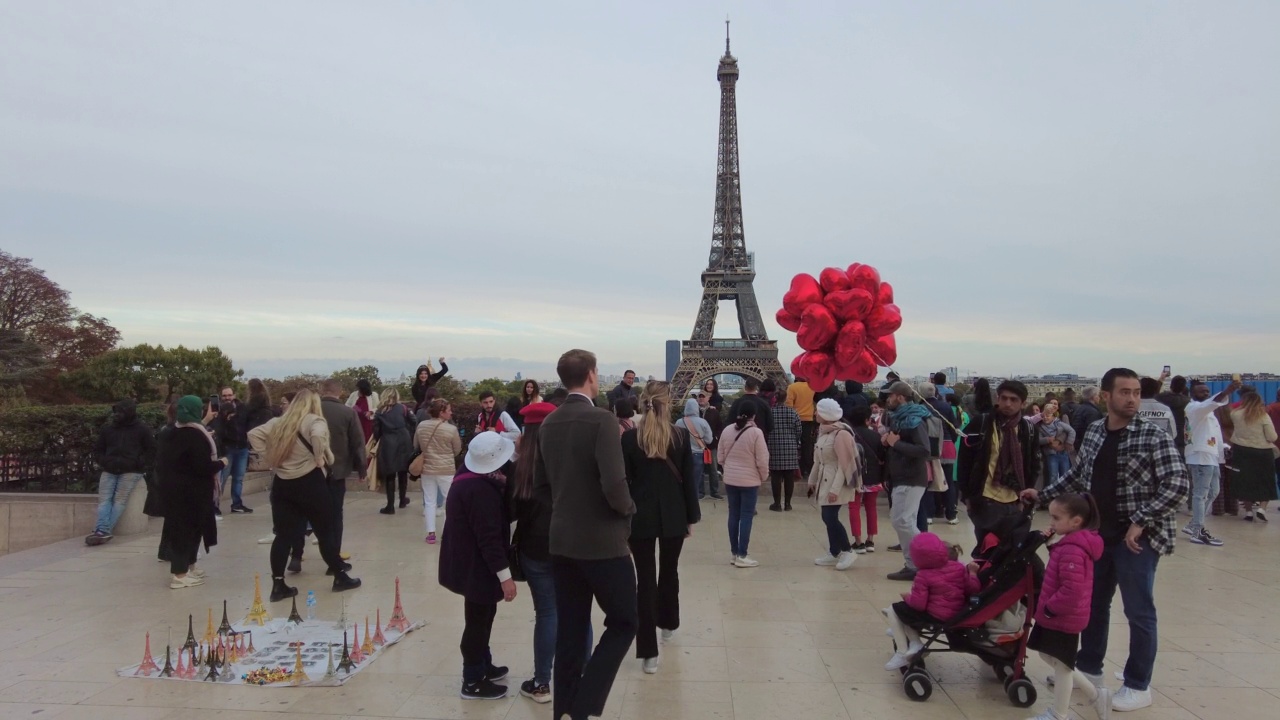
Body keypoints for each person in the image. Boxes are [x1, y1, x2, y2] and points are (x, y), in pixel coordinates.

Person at [1023, 368, 1190, 713]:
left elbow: (1177, 484)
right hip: (1097, 538)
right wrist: (1041, 496)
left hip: (1136, 542)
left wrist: (1141, 520)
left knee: (1139, 611)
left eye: (1135, 393)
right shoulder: (1097, 430)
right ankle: (1090, 669)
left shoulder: (1152, 436)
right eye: (1124, 392)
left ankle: (1138, 683)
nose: (1132, 399)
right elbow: (1079, 475)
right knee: (1094, 605)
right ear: (1105, 396)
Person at [533, 349, 637, 720]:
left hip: (562, 541)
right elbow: (614, 483)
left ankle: (565, 710)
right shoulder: (602, 421)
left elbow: (540, 485)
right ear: (592, 375)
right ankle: (585, 703)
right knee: (626, 620)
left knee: (572, 631)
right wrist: (628, 510)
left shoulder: (550, 423)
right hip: (604, 542)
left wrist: (566, 507)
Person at [248, 389, 362, 601]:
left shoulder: (279, 422)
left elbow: (253, 434)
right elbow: (318, 435)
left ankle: (278, 584)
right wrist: (318, 457)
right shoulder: (314, 420)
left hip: (283, 482)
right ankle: (339, 576)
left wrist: (270, 457)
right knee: (325, 531)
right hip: (310, 482)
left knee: (283, 536)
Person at [623, 381, 700, 674]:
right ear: (669, 403)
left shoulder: (630, 439)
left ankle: (648, 653)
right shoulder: (679, 437)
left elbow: (624, 483)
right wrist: (691, 517)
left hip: (639, 517)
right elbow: (688, 484)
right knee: (669, 571)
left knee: (645, 581)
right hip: (673, 514)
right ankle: (668, 622)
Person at [438, 431, 517, 700]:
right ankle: (472, 679)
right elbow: (489, 539)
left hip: (468, 561)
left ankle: (483, 663)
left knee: (484, 615)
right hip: (476, 564)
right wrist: (505, 576)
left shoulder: (469, 476)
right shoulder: (480, 490)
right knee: (477, 621)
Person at [1028, 493, 1110, 720]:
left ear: (1076, 521)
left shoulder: (1074, 549)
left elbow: (1072, 589)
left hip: (1063, 616)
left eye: (1056, 518)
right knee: (1049, 655)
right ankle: (1096, 694)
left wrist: (1051, 608)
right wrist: (1051, 545)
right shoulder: (1069, 544)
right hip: (1058, 613)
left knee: (1063, 667)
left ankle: (1058, 714)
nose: (1051, 522)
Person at [507, 401, 562, 704]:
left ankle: (542, 682)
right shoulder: (568, 459)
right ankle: (579, 676)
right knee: (575, 613)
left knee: (547, 613)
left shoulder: (521, 465)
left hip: (534, 547)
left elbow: (511, 511)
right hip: (569, 544)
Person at [957, 380, 1040, 549]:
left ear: (1023, 403)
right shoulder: (982, 423)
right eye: (1004, 398)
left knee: (1012, 552)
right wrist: (967, 495)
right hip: (985, 498)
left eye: (1013, 399)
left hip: (1016, 500)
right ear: (997, 399)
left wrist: (1026, 496)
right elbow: (964, 461)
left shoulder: (1028, 430)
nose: (1007, 404)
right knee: (987, 549)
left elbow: (1033, 464)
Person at [882, 532, 978, 669]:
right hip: (957, 613)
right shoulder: (959, 568)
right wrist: (973, 574)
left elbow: (918, 605)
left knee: (896, 609)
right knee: (904, 613)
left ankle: (903, 651)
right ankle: (903, 632)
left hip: (936, 616)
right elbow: (972, 588)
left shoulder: (923, 575)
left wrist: (907, 597)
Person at [156, 396, 222, 588]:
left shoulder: (169, 432)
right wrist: (220, 463)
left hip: (174, 490)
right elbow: (202, 466)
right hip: (191, 492)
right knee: (185, 533)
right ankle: (179, 574)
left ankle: (186, 567)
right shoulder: (195, 435)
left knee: (187, 531)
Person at [86, 399, 158, 546]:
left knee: (119, 501)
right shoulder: (108, 429)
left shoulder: (142, 429)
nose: (117, 415)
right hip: (109, 469)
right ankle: (103, 530)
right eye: (116, 412)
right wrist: (104, 461)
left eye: (121, 412)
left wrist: (140, 463)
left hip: (131, 471)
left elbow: (151, 449)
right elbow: (98, 449)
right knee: (104, 500)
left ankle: (102, 530)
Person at [882, 382, 932, 581]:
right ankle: (916, 561)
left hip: (911, 477)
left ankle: (922, 559)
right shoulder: (902, 419)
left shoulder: (913, 419)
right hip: (903, 476)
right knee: (901, 520)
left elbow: (923, 450)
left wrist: (896, 443)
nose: (888, 399)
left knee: (903, 521)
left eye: (890, 395)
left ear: (900, 397)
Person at [1181, 380, 1238, 546]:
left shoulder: (1209, 413)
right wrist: (1226, 392)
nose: (1205, 394)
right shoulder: (1193, 409)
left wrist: (1224, 448)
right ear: (1192, 394)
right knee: (1201, 494)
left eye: (1207, 392)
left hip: (1211, 456)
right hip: (1200, 456)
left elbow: (1214, 435)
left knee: (1213, 491)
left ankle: (1193, 524)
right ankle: (1198, 530)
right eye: (1201, 392)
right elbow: (1210, 403)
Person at [809, 398, 860, 571]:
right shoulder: (825, 432)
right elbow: (818, 460)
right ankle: (834, 551)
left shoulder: (841, 434)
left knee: (830, 517)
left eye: (817, 410)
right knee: (827, 516)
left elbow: (843, 465)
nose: (815, 413)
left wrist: (835, 490)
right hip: (825, 479)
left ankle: (847, 549)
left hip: (835, 482)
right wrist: (811, 480)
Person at [718, 401, 769, 568]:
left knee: (733, 515)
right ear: (754, 415)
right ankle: (742, 554)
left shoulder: (727, 430)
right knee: (747, 516)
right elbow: (762, 459)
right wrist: (763, 476)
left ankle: (734, 553)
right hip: (749, 480)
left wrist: (728, 468)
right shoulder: (756, 433)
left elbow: (720, 456)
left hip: (731, 479)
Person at [415, 398, 462, 544]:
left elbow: (416, 444)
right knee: (450, 501)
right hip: (446, 469)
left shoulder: (421, 426)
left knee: (429, 501)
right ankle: (447, 532)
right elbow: (457, 449)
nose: (451, 412)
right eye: (448, 410)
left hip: (427, 468)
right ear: (442, 412)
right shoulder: (451, 429)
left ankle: (431, 533)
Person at [1230, 389, 1278, 522]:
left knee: (1245, 481)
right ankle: (1262, 509)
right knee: (1266, 481)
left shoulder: (1235, 414)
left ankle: (1249, 512)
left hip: (1241, 451)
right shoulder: (1262, 415)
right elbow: (1271, 436)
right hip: (1262, 452)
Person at [374, 389, 417, 514]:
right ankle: (402, 499)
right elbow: (414, 421)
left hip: (388, 442)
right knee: (403, 471)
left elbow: (376, 431)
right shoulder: (403, 408)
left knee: (390, 474)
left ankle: (390, 505)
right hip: (404, 440)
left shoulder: (380, 411)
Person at [848, 406, 884, 553]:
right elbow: (882, 456)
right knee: (871, 507)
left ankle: (858, 541)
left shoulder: (850, 436)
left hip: (855, 476)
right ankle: (870, 540)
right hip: (873, 476)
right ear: (867, 420)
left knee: (854, 507)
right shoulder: (875, 436)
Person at [763, 379, 802, 511]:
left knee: (776, 476)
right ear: (786, 399)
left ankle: (777, 503)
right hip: (790, 447)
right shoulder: (793, 412)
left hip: (774, 447)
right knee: (789, 477)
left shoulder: (770, 412)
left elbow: (766, 428)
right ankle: (788, 504)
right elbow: (799, 430)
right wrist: (793, 440)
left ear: (775, 398)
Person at [213, 386, 253, 514]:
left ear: (234, 395)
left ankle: (237, 504)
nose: (227, 398)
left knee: (239, 478)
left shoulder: (243, 409)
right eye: (224, 396)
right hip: (227, 448)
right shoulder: (217, 411)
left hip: (241, 447)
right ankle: (215, 505)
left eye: (229, 395)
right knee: (222, 479)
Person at [677, 397, 714, 505]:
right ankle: (693, 506)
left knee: (683, 481)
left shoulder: (679, 422)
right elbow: (709, 440)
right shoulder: (703, 422)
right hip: (698, 454)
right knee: (695, 482)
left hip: (683, 455)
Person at [1038, 402, 1077, 489]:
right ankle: (1052, 494)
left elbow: (1071, 431)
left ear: (1053, 416)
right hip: (1051, 454)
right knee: (1053, 475)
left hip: (1063, 452)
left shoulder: (1059, 423)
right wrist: (1047, 440)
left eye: (1048, 416)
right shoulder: (1040, 427)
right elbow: (1038, 440)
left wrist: (1069, 443)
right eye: (1043, 416)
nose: (1045, 418)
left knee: (1065, 474)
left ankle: (1064, 494)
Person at [786, 375, 817, 476]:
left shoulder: (792, 387)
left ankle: (793, 468)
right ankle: (806, 468)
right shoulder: (813, 387)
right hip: (808, 419)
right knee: (807, 445)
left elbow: (789, 405)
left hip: (795, 419)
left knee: (792, 444)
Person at [697, 390, 725, 500]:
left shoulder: (714, 412)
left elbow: (719, 427)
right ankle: (700, 491)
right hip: (698, 444)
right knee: (700, 469)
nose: (701, 398)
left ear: (708, 398)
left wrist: (716, 438)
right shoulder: (694, 412)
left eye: (703, 397)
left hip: (711, 444)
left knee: (713, 469)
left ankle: (715, 491)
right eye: (700, 397)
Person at [1157, 375, 1190, 453]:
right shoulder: (1188, 402)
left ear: (1171, 386)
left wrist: (1162, 378)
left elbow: (1152, 391)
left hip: (1163, 435)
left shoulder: (1160, 398)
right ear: (1183, 388)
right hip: (1182, 437)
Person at [1071, 387, 1104, 452]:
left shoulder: (1079, 408)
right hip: (1088, 446)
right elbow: (1094, 431)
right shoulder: (1092, 412)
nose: (1099, 398)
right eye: (1097, 395)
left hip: (1078, 444)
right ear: (1093, 397)